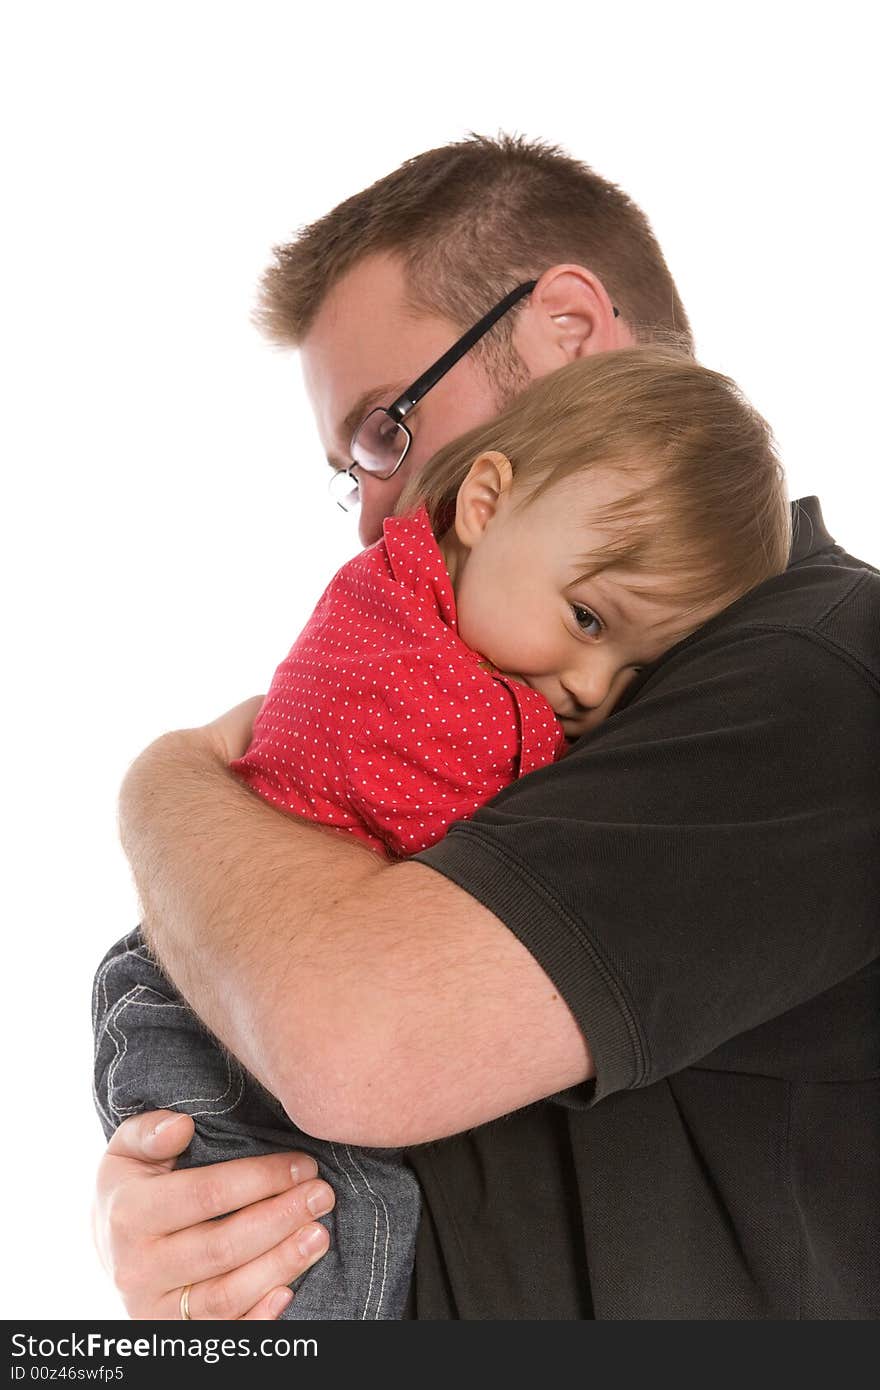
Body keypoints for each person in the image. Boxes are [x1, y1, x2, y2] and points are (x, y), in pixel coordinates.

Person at [94, 134, 880, 1321]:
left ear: (564, 327)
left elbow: (349, 1040)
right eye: (350, 467)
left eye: (385, 430)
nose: (371, 518)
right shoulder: (540, 692)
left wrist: (167, 781)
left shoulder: (825, 666)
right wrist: (195, 1218)